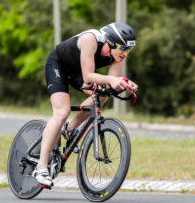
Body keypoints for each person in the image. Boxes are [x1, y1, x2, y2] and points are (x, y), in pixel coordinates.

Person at [34, 22, 138, 187]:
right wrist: (113, 80)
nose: (125, 53)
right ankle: (41, 167)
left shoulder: (118, 55)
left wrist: (124, 83)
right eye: (123, 48)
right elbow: (89, 76)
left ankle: (69, 129)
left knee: (103, 95)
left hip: (78, 72)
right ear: (110, 43)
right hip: (58, 66)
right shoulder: (90, 39)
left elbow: (111, 83)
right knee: (62, 112)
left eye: (129, 50)